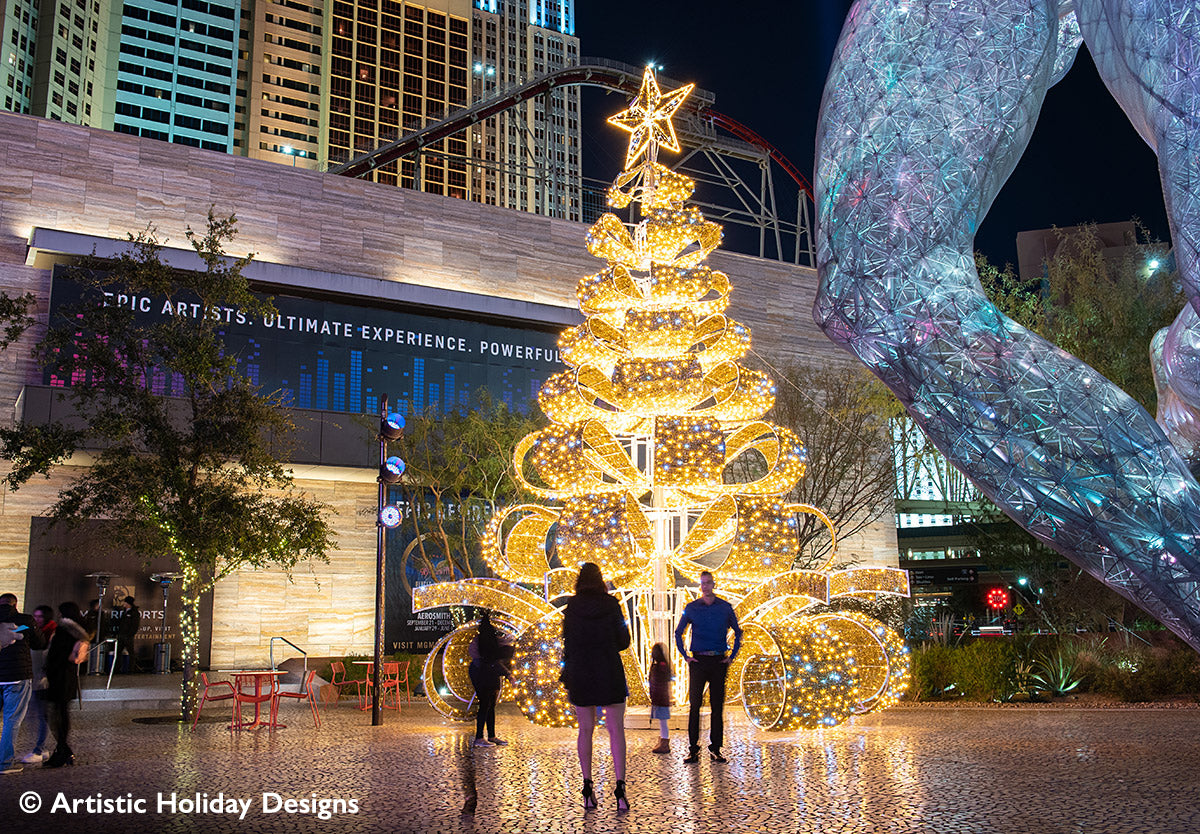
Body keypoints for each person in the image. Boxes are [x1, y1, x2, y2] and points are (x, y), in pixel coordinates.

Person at [561, 562, 630, 812]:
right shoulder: (612, 605)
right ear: (601, 580)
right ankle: (620, 789)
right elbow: (624, 641)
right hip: (608, 670)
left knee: (585, 730)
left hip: (581, 671)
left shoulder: (572, 608)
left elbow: (567, 644)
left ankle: (588, 787)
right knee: (616, 730)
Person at [674, 570, 742, 765]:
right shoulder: (692, 608)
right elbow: (678, 632)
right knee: (694, 705)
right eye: (702, 583)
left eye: (708, 583)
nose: (705, 587)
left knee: (717, 706)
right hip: (698, 661)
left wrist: (731, 656)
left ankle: (716, 748)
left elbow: (738, 631)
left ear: (713, 584)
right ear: (700, 586)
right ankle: (693, 748)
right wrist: (686, 656)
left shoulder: (724, 608)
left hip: (718, 661)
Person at [0, 592, 47, 774]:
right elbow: (39, 643)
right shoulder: (25, 620)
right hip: (17, 676)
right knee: (12, 720)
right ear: (15, 604)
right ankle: (4, 764)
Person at [42, 601, 90, 768]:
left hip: (59, 677)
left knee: (55, 715)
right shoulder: (81, 631)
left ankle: (63, 750)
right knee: (61, 713)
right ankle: (63, 750)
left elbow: (55, 655)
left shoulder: (64, 630)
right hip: (70, 678)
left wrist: (46, 671)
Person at [467, 611, 510, 748]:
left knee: (490, 705)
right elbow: (494, 658)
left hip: (486, 675)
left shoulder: (481, 641)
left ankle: (490, 736)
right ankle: (480, 737)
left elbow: (490, 658)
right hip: (483, 675)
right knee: (486, 705)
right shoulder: (488, 643)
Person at [21, 605, 55, 764]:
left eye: (40, 616)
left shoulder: (52, 631)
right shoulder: (32, 628)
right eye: (35, 616)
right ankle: (41, 748)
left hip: (43, 680)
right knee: (34, 715)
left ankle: (40, 748)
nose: (37, 619)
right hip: (33, 677)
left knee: (41, 715)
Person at [648, 642, 672, 754]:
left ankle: (664, 741)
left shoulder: (660, 666)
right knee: (662, 721)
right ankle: (663, 739)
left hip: (660, 698)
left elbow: (657, 682)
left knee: (663, 721)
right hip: (661, 698)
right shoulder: (661, 665)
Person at [116, 596, 139, 673]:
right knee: (118, 652)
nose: (124, 604)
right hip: (121, 635)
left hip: (128, 636)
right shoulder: (125, 612)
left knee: (131, 653)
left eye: (125, 602)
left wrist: (130, 634)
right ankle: (117, 668)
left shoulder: (134, 613)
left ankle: (131, 669)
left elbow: (135, 625)